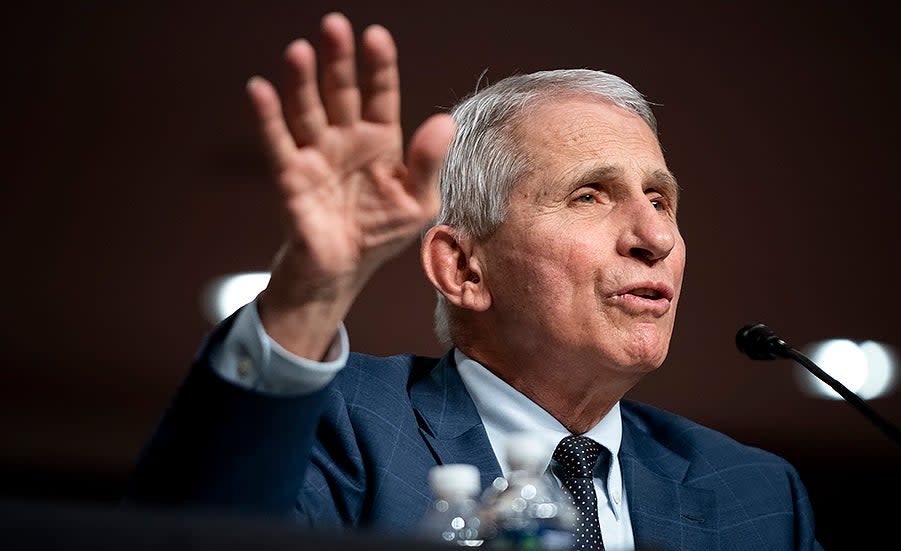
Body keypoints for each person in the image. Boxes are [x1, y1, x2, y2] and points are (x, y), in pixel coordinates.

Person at [128, 12, 823, 551]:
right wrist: (311, 290)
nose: (657, 237)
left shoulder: (756, 496)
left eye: (661, 198)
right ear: (462, 267)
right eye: (590, 194)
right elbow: (191, 534)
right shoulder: (346, 425)